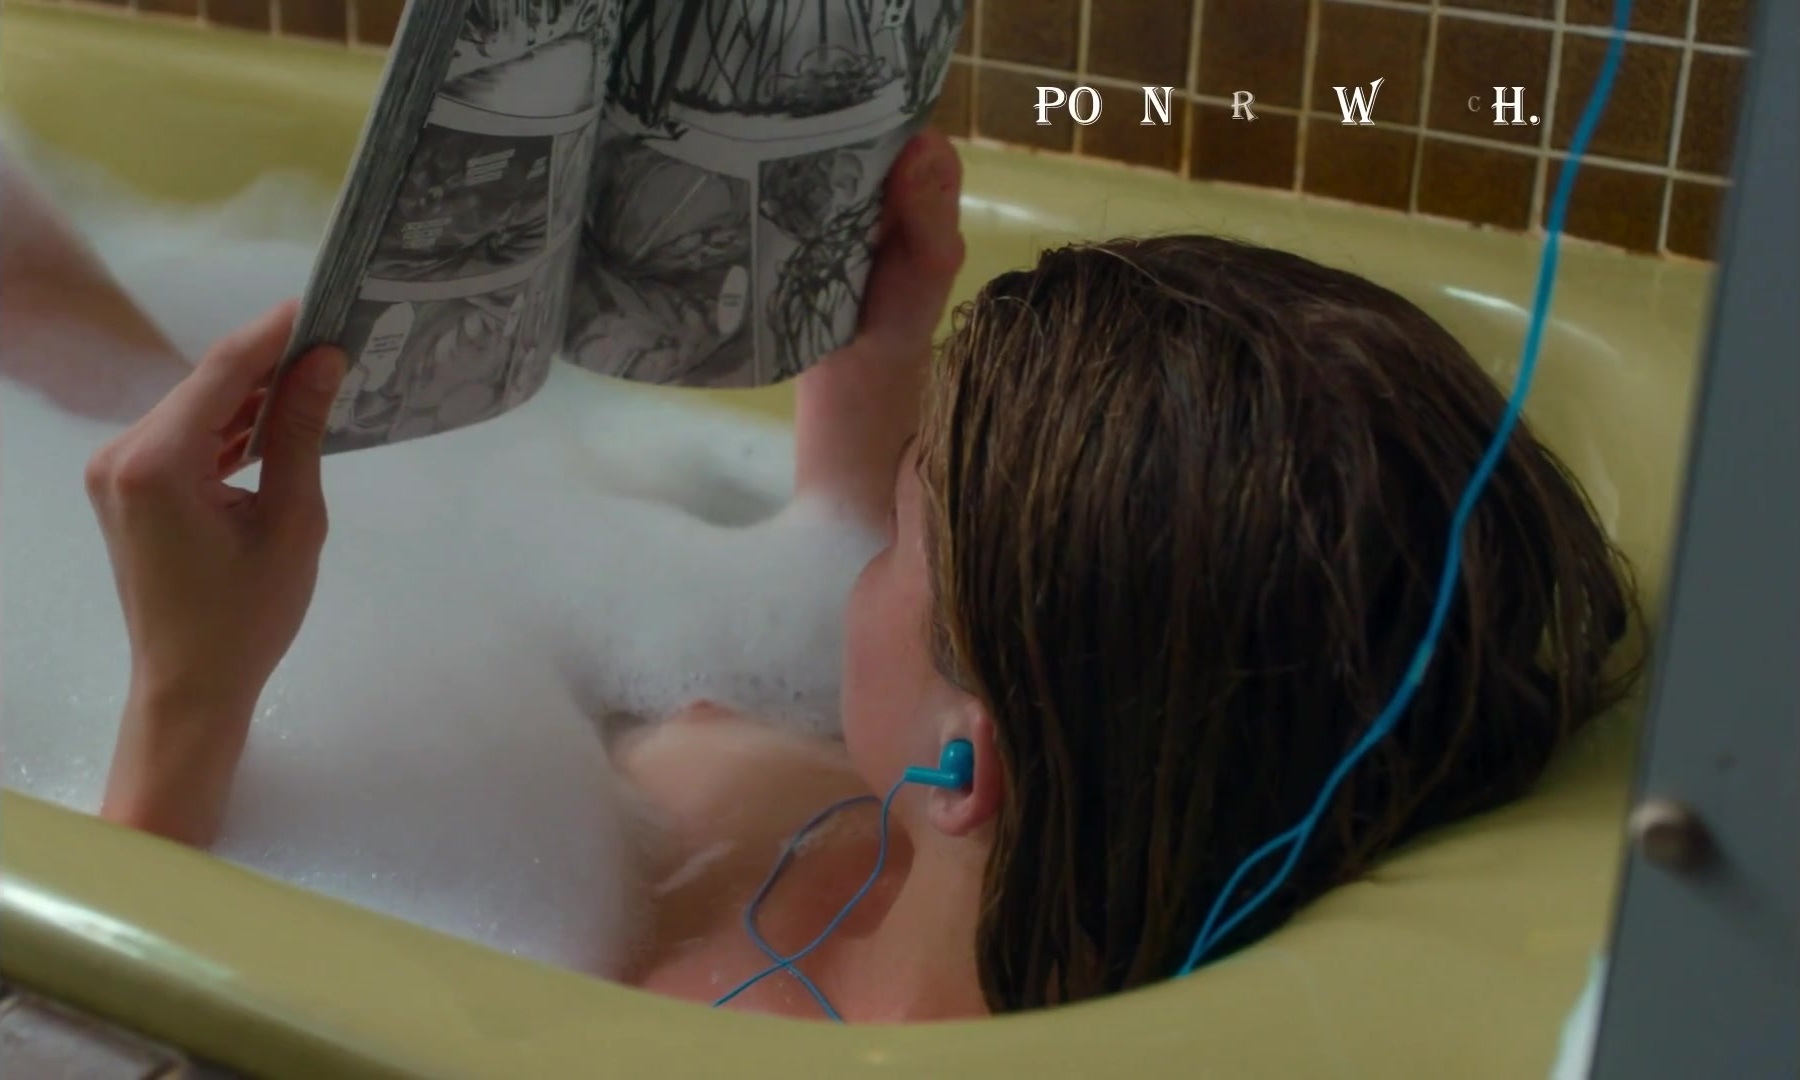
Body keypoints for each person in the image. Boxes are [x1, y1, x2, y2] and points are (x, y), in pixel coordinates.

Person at [73, 129, 1638, 1021]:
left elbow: (115, 1026)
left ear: (974, 762)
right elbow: (915, 651)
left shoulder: (690, 1019)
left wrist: (188, 697)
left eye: (894, 536)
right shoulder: (1044, 863)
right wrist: (873, 372)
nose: (852, 572)